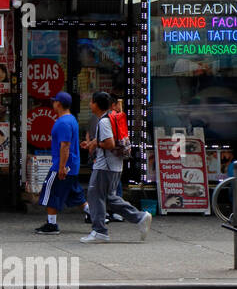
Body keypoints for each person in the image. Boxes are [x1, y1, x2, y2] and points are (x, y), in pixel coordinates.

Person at [80, 92, 152, 243]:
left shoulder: (104, 121)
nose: (90, 104)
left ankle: (100, 231)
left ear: (96, 104)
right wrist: (93, 143)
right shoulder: (109, 118)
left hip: (104, 166)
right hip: (113, 166)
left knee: (95, 196)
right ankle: (140, 217)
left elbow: (109, 143)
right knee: (109, 197)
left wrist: (96, 144)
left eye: (91, 102)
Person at [34, 92, 86, 235]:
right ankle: (95, 215)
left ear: (59, 104)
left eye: (54, 101)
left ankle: (52, 224)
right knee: (74, 193)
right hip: (72, 164)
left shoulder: (63, 122)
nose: (53, 104)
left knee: (51, 191)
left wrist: (61, 167)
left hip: (62, 165)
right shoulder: (72, 119)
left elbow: (65, 146)